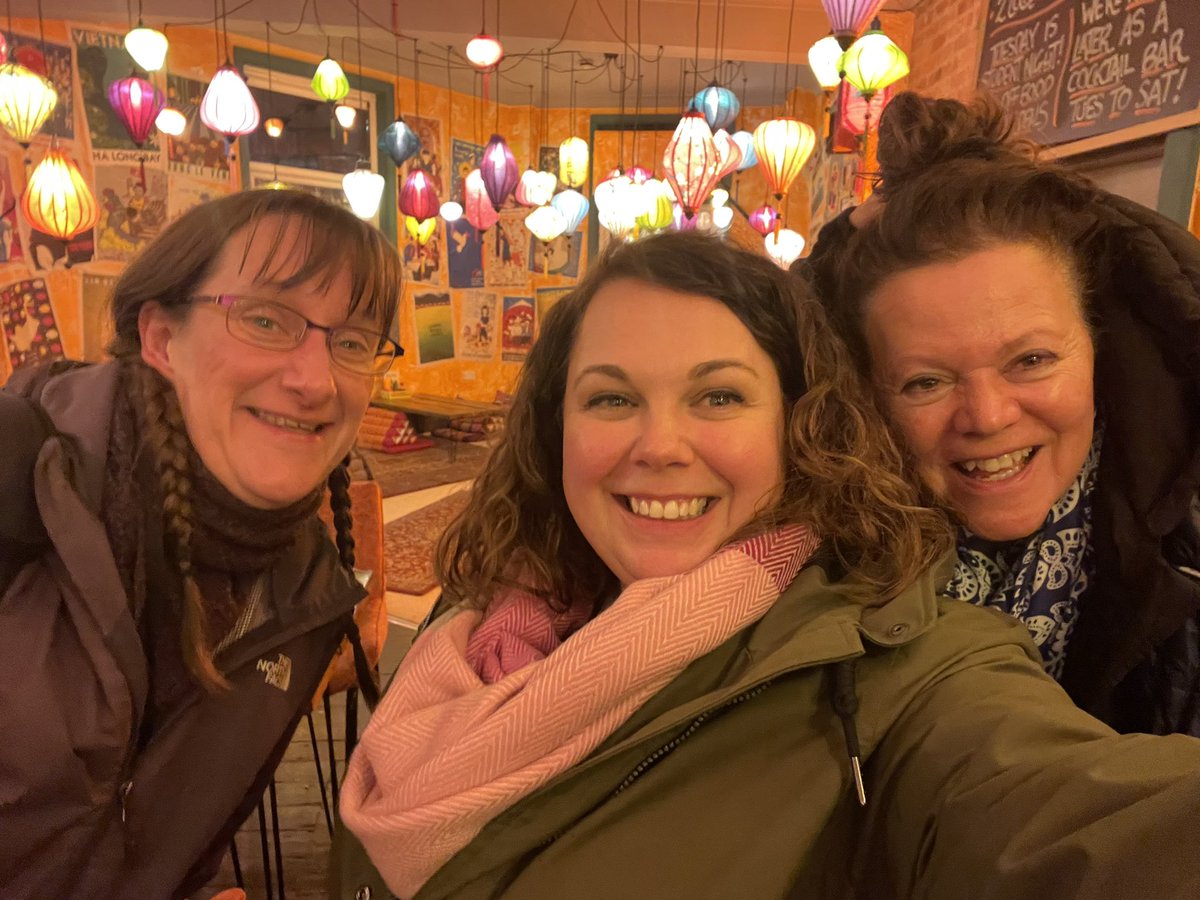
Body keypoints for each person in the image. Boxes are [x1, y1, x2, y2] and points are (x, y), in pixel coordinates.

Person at [336, 231, 1200, 900]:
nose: (660, 445)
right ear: (555, 427)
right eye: (611, 398)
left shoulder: (903, 675)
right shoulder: (489, 618)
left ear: (799, 427)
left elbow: (1072, 817)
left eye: (718, 396)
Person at [0, 189, 403, 897]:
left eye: (351, 341)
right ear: (160, 338)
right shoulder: (17, 483)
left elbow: (157, 825)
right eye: (266, 319)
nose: (315, 379)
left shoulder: (304, 598)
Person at [803, 91, 1200, 737]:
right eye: (926, 382)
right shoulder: (808, 566)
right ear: (867, 394)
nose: (986, 417)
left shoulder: (1182, 549)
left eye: (1032, 360)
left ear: (1097, 345)